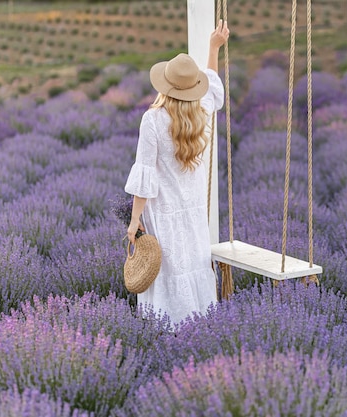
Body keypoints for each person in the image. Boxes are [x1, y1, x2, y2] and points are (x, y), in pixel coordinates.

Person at [125, 20, 230, 325]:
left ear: (164, 85)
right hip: (194, 215)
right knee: (195, 268)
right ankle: (199, 327)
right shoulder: (202, 114)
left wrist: (134, 221)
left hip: (163, 214)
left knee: (166, 272)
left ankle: (166, 331)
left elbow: (144, 178)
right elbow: (212, 87)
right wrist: (214, 47)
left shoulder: (153, 120)